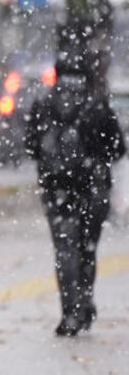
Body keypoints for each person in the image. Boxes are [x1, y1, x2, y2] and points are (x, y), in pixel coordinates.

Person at [25, 46, 125, 336]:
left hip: (58, 190)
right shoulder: (98, 105)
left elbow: (31, 148)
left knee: (64, 249)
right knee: (87, 248)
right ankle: (84, 301)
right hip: (93, 189)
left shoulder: (44, 103)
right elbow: (118, 149)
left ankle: (70, 311)